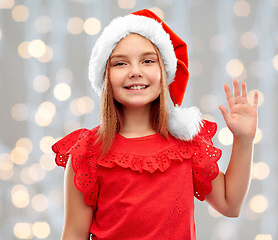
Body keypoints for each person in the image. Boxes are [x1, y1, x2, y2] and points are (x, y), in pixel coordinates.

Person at [52, 9, 258, 240]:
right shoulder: (87, 152)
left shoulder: (187, 144)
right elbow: (73, 234)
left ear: (164, 71)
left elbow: (230, 204)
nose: (135, 72)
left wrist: (244, 140)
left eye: (148, 61)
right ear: (105, 75)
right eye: (120, 63)